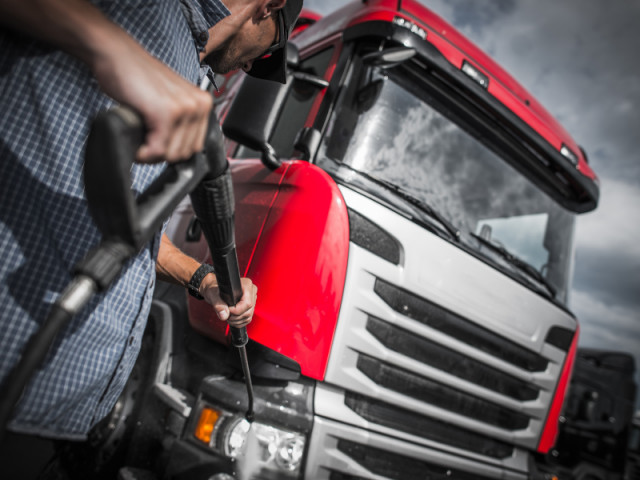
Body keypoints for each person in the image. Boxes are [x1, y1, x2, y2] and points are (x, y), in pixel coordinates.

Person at [0, 0, 302, 476]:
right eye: (266, 53)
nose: (249, 65)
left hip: (59, 406)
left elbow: (135, 228)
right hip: (14, 366)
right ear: (270, 6)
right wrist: (111, 48)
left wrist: (205, 278)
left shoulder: (191, 72)